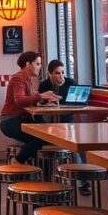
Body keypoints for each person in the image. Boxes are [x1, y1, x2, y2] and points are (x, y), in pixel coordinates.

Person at [39, 59, 90, 194]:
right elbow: (39, 104)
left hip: (67, 121)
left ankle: (82, 182)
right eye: (57, 73)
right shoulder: (44, 86)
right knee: (44, 144)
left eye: (62, 73)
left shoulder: (70, 83)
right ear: (50, 74)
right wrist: (45, 103)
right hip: (49, 124)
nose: (61, 76)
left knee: (78, 145)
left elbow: (79, 102)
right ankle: (47, 180)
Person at [0, 51, 58, 165]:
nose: (40, 67)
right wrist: (40, 96)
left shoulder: (27, 79)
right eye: (37, 64)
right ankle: (17, 161)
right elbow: (20, 100)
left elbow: (29, 99)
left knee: (46, 136)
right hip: (10, 121)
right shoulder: (18, 78)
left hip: (19, 119)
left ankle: (35, 173)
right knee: (41, 137)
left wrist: (44, 99)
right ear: (28, 64)